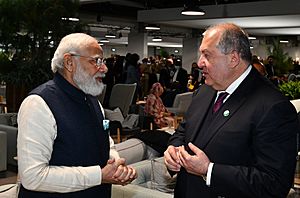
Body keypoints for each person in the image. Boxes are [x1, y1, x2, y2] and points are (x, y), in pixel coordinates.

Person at [164, 23, 300, 198]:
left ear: (233, 58)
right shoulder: (205, 90)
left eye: (207, 55)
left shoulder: (273, 107)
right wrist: (173, 149)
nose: (199, 62)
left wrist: (209, 170)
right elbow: (184, 131)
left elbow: (274, 183)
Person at [17, 33, 137, 198]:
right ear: (69, 62)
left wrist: (115, 163)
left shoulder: (94, 101)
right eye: (96, 61)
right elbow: (33, 176)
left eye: (103, 61)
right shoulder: (38, 104)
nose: (104, 68)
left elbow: (106, 142)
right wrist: (100, 176)